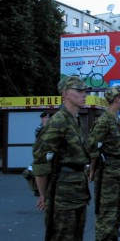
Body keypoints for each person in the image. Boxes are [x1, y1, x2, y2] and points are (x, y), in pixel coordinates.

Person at [32, 76, 91, 241]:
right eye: (79, 90)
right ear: (66, 93)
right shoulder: (58, 121)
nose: (84, 94)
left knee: (76, 236)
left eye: (84, 90)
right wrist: (43, 195)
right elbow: (41, 160)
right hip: (62, 195)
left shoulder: (74, 120)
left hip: (78, 191)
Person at [87, 85, 120, 241]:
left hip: (116, 171)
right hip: (106, 172)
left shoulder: (115, 119)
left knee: (118, 213)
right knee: (107, 214)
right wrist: (92, 169)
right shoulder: (104, 120)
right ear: (117, 99)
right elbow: (92, 146)